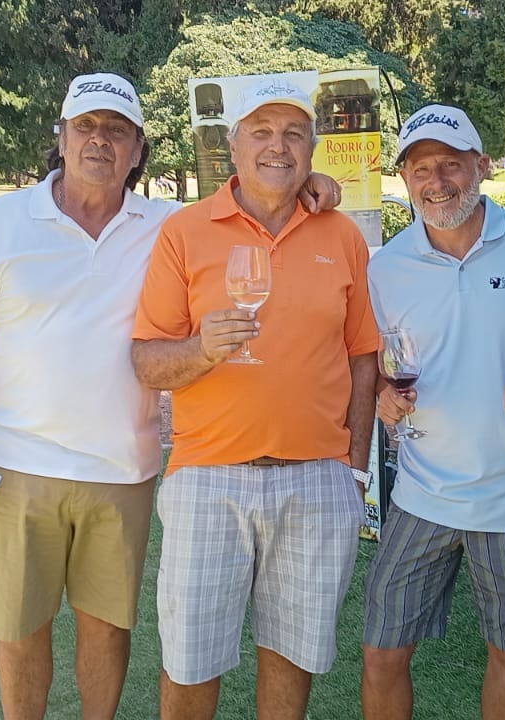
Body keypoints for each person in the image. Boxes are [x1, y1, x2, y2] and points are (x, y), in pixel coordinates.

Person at [0, 71, 341, 720]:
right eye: (86, 126)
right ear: (60, 137)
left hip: (123, 468)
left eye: (117, 130)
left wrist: (308, 185)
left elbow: (253, 199)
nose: (100, 141)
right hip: (17, 462)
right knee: (18, 630)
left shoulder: (170, 226)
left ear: (139, 149)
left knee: (106, 629)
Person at [130, 76, 379, 720]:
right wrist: (203, 351)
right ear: (233, 147)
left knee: (292, 659)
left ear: (312, 149)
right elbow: (148, 363)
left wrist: (353, 465)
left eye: (295, 133)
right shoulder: (185, 232)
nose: (279, 147)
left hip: (318, 480)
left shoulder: (341, 235)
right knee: (189, 662)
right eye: (262, 132)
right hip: (208, 477)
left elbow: (362, 356)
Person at [361, 103, 505, 720]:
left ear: (483, 167)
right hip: (420, 492)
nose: (435, 181)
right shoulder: (384, 268)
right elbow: (376, 366)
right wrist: (383, 393)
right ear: (404, 180)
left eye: (450, 164)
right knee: (382, 650)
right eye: (419, 169)